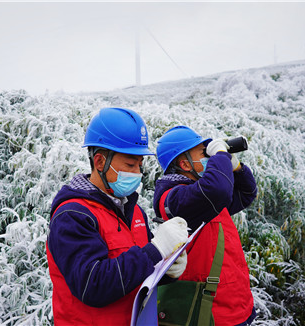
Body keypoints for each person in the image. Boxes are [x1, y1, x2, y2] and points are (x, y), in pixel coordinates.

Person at [46, 108, 189, 325]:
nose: (137, 174)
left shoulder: (133, 210)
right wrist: (155, 251)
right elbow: (92, 285)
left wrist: (167, 268)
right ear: (100, 161)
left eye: (139, 165)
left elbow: (138, 275)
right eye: (130, 165)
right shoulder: (72, 215)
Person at [153, 126, 258, 326]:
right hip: (208, 314)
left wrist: (236, 167)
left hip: (236, 306)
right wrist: (220, 154)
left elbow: (246, 193)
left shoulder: (206, 198)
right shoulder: (174, 199)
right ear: (184, 164)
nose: (209, 156)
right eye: (204, 153)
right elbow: (217, 189)